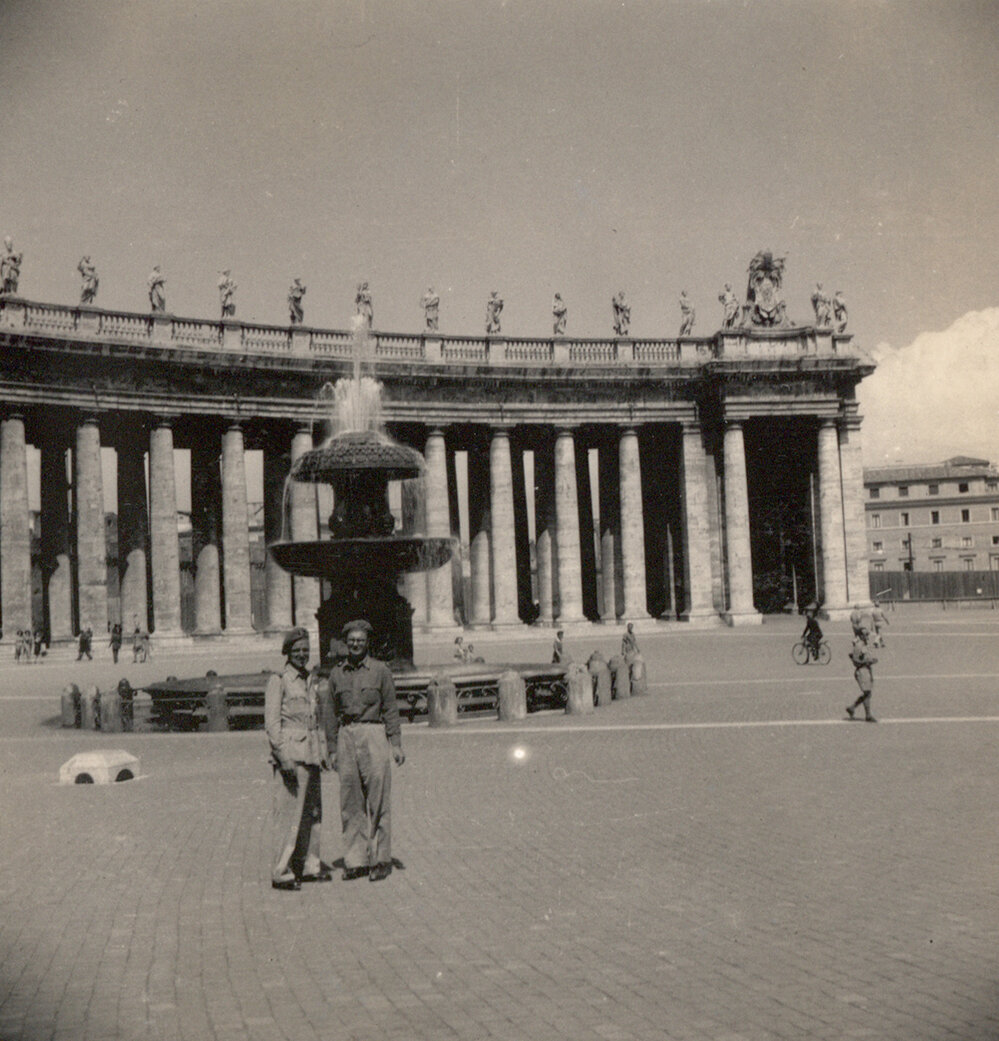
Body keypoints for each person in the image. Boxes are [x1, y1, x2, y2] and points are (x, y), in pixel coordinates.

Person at [325, 620, 404, 882]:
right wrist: (332, 749)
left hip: (374, 734)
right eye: (351, 641)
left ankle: (381, 859)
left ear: (367, 642)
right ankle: (355, 860)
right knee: (350, 802)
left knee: (378, 798)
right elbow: (330, 714)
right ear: (345, 644)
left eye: (360, 640)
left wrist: (395, 744)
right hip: (347, 735)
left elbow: (391, 709)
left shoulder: (381, 671)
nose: (355, 644)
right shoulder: (337, 674)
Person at [264, 627, 331, 890]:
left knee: (312, 814)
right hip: (292, 755)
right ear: (288, 652)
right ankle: (281, 871)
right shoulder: (279, 680)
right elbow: (272, 724)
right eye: (297, 650)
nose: (302, 654)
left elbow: (315, 719)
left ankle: (308, 866)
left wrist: (323, 751)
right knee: (289, 816)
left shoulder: (309, 679)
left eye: (306, 650)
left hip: (311, 753)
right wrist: (284, 758)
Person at [846, 627, 878, 722]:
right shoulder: (858, 646)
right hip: (861, 671)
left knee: (868, 693)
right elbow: (855, 661)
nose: (867, 636)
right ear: (860, 635)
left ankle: (852, 708)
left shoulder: (865, 645)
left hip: (867, 670)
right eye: (865, 634)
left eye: (867, 634)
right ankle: (868, 715)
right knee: (867, 693)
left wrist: (871, 661)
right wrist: (867, 662)